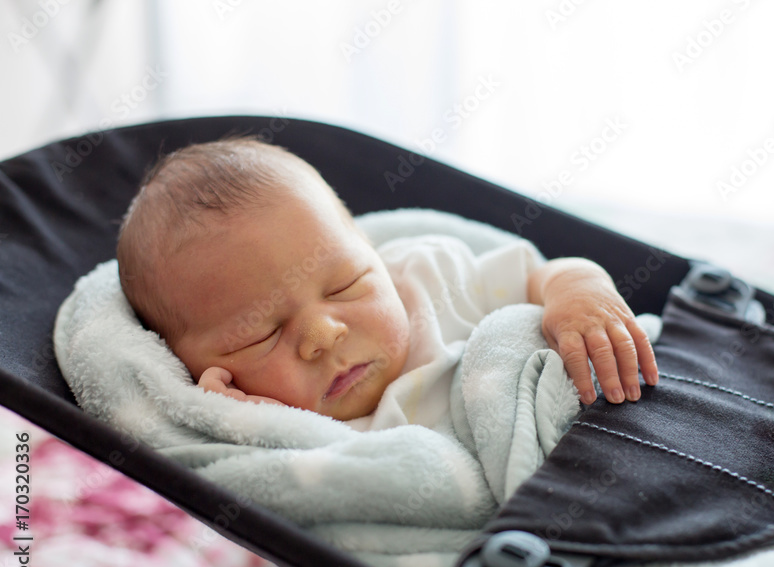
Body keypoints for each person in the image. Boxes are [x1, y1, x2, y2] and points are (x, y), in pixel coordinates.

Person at [116, 137, 658, 429]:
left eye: (345, 284)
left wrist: (579, 293)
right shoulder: (288, 429)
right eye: (260, 335)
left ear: (372, 255)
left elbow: (546, 272)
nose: (323, 335)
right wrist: (237, 421)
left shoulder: (432, 281)